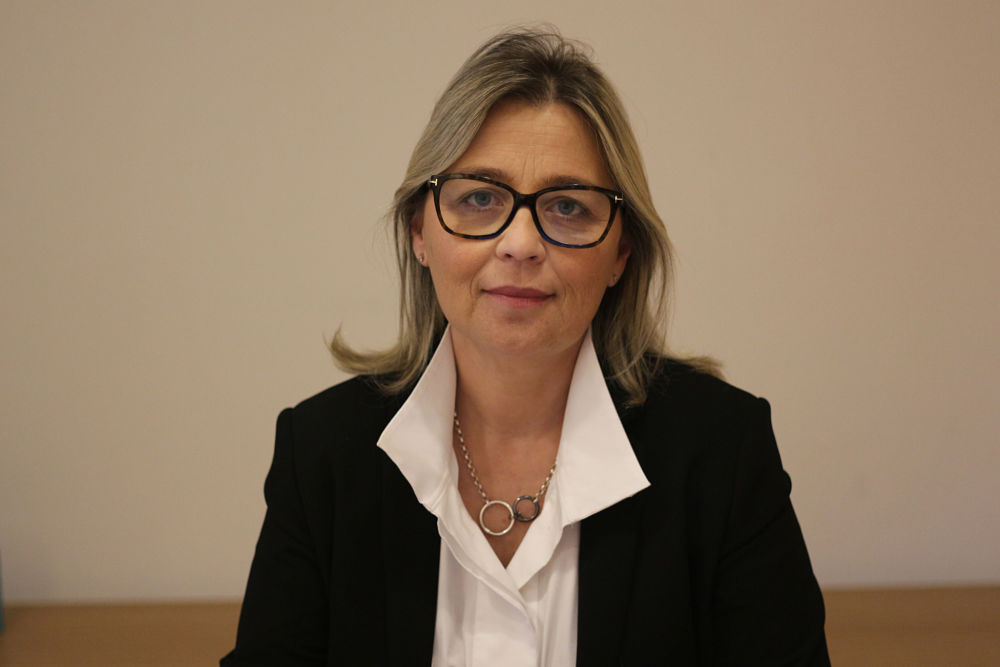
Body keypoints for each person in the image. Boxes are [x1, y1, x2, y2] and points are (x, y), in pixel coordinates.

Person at [221, 28, 829, 666]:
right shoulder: (320, 454)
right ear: (420, 231)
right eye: (480, 198)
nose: (520, 244)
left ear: (621, 252)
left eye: (568, 207)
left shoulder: (724, 453)